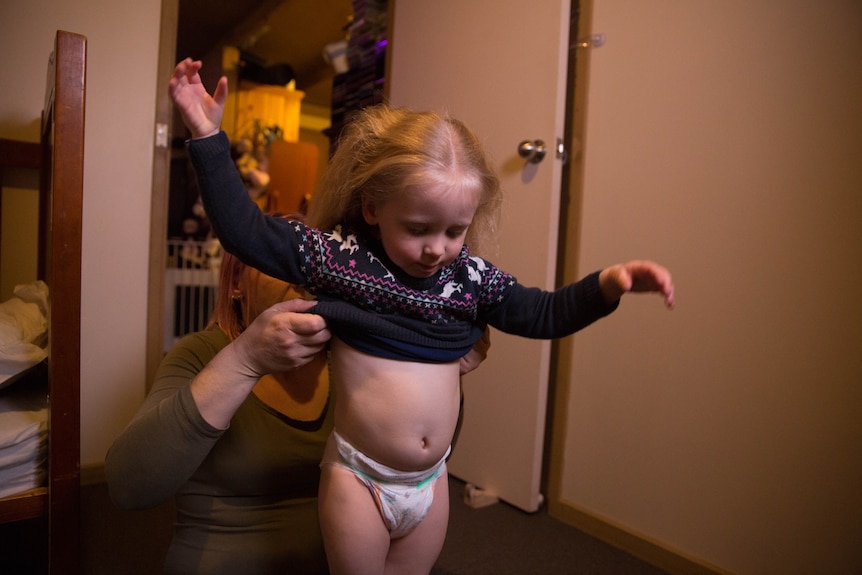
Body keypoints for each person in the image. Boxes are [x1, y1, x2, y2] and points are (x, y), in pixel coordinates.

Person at [169, 58, 675, 575]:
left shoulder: (472, 278)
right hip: (358, 479)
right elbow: (245, 232)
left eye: (455, 231)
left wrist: (607, 286)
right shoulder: (342, 258)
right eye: (417, 228)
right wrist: (208, 135)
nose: (437, 248)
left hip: (430, 482)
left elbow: (541, 313)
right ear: (372, 208)